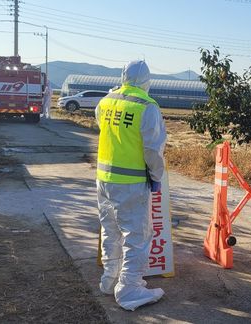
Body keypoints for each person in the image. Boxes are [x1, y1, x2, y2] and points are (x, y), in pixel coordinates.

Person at [95, 60, 167, 311]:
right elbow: (153, 150)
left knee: (110, 230)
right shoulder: (146, 107)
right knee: (137, 236)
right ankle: (129, 288)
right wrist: (156, 176)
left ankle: (110, 279)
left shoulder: (106, 101)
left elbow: (105, 130)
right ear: (148, 80)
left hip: (104, 179)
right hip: (131, 182)